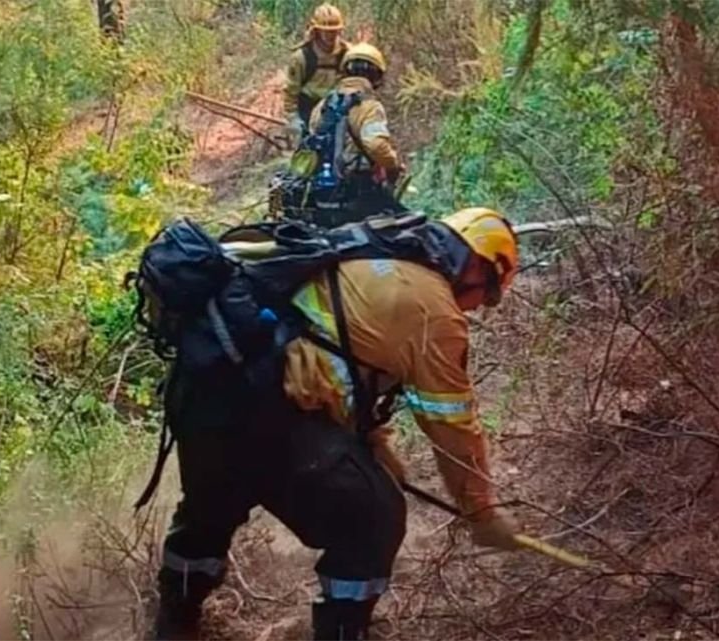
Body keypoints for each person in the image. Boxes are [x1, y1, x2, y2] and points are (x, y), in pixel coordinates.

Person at [151, 209, 522, 641]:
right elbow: (452, 426)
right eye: (489, 296)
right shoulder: (433, 310)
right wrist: (481, 511)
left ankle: (174, 622)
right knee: (375, 519)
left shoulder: (363, 255)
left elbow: (331, 355)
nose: (480, 307)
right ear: (478, 266)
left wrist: (377, 453)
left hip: (202, 391)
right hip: (267, 410)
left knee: (210, 508)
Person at [303, 41, 405, 224]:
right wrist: (393, 165)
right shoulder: (369, 107)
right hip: (359, 199)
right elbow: (376, 145)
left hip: (321, 199)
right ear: (376, 76)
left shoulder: (322, 106)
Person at [283, 3, 350, 143]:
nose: (330, 35)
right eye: (326, 31)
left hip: (338, 108)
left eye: (334, 31)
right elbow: (291, 92)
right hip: (308, 108)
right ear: (317, 31)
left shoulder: (348, 53)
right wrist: (293, 119)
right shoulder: (301, 57)